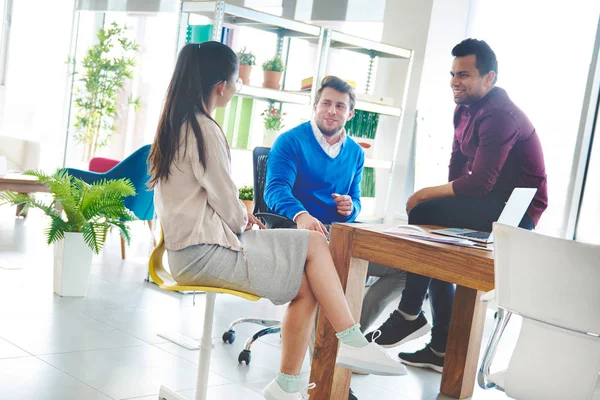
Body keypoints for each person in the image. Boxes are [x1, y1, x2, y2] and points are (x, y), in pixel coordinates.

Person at [148, 42, 407, 400]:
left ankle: (287, 384)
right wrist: (244, 217)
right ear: (222, 86)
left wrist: (242, 216)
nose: (238, 86)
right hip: (203, 252)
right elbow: (228, 201)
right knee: (315, 244)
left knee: (307, 285)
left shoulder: (179, 123)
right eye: (237, 81)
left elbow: (212, 198)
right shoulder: (205, 129)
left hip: (190, 249)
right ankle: (349, 339)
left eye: (340, 106)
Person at [364, 38, 548, 373]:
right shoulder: (464, 109)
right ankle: (440, 347)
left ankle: (409, 313)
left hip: (516, 212)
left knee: (423, 211)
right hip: (488, 202)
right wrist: (441, 197)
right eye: (452, 74)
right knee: (435, 237)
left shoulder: (500, 115)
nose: (454, 82)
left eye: (464, 75)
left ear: (488, 78)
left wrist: (425, 194)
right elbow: (457, 164)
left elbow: (480, 182)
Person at [265, 75, 363, 234]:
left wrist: (351, 208)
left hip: (334, 230)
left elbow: (356, 199)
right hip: (293, 226)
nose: (332, 111)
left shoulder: (356, 152)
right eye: (326, 103)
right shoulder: (290, 141)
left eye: (340, 106)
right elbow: (275, 189)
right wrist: (301, 215)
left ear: (350, 114)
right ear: (315, 106)